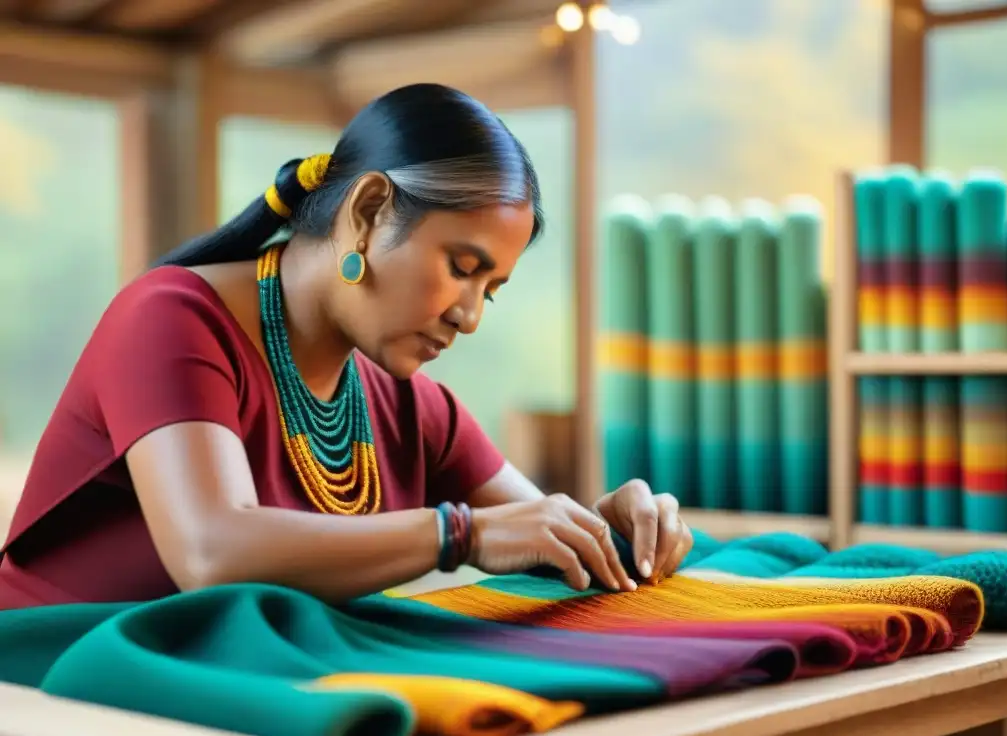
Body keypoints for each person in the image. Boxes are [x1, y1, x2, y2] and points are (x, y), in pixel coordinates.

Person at [0, 83, 691, 611]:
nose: (471, 316)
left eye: (493, 289)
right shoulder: (170, 321)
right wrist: (462, 536)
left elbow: (530, 532)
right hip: (62, 702)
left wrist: (613, 526)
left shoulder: (409, 405)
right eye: (462, 267)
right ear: (366, 213)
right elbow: (211, 550)